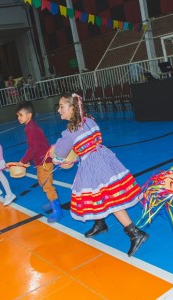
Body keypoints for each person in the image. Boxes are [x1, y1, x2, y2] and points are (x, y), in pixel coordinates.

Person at [52, 93, 148, 257]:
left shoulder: (70, 132)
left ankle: (135, 233)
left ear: (73, 108)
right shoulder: (90, 120)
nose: (59, 110)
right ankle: (100, 223)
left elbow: (60, 153)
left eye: (62, 106)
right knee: (97, 193)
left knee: (109, 198)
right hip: (104, 158)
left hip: (93, 165)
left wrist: (55, 158)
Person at [15, 101, 61, 223]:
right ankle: (52, 202)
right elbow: (34, 146)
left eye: (20, 115)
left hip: (44, 161)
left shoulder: (31, 129)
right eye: (18, 115)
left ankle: (57, 210)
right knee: (43, 182)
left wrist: (23, 161)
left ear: (28, 115)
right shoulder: (30, 127)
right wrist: (30, 160)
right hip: (41, 160)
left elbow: (33, 148)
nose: (18, 118)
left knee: (46, 184)